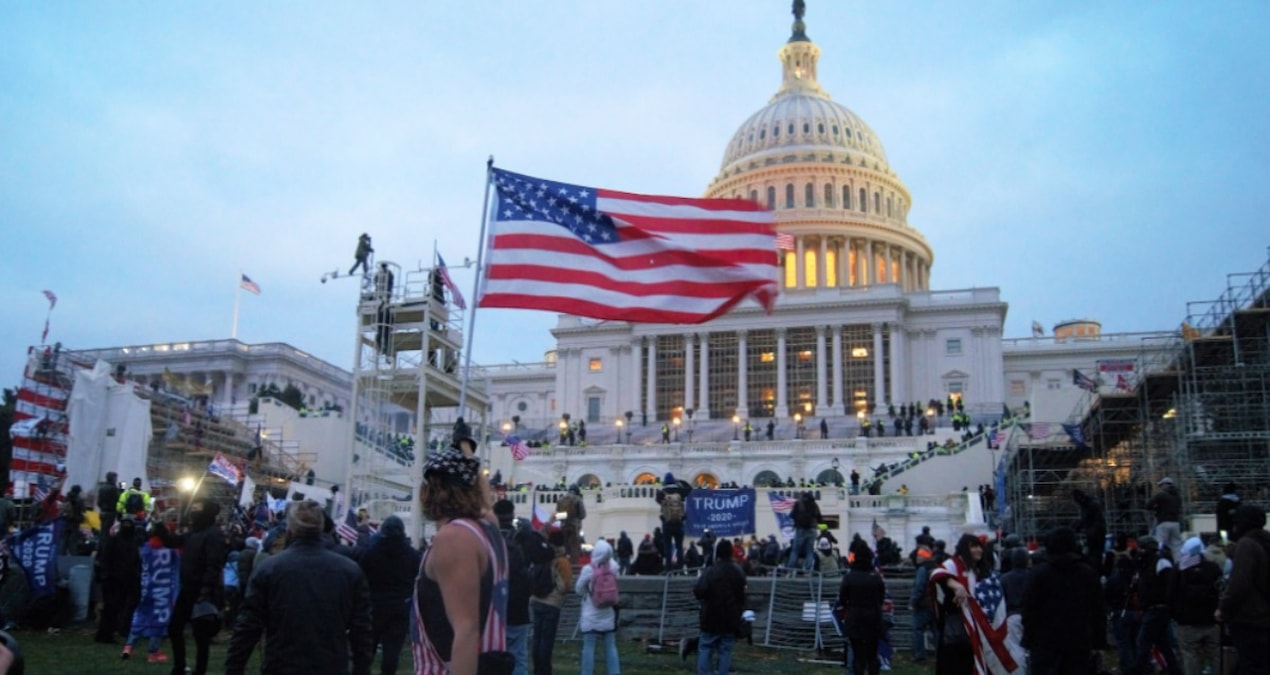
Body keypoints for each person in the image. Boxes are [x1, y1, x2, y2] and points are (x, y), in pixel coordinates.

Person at [226, 499, 373, 675]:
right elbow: (361, 630)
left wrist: (234, 667)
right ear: (320, 527)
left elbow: (248, 626)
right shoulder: (349, 571)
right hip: (330, 665)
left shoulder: (269, 569)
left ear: (290, 529)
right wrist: (362, 668)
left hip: (282, 664)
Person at [409, 446, 510, 675]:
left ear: (433, 490)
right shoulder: (487, 528)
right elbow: (485, 505)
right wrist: (468, 452)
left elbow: (466, 631)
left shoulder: (454, 538)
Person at [930, 533, 1018, 675]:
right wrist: (957, 585)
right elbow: (938, 574)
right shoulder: (952, 565)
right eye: (974, 546)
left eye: (980, 547)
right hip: (957, 635)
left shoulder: (979, 571)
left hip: (976, 634)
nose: (979, 550)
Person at [1021, 527, 1105, 675]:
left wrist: (1029, 639)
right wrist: (1098, 642)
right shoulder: (1088, 574)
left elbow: (1028, 610)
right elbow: (1098, 611)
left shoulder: (1038, 575)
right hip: (1079, 642)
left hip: (1045, 644)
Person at [168, 497, 226, 675]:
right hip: (189, 589)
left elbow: (213, 564)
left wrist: (206, 591)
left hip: (202, 590)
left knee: (201, 635)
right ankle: (179, 667)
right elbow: (174, 541)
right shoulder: (194, 533)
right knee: (175, 628)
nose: (193, 511)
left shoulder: (213, 534)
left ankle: (199, 670)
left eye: (197, 508)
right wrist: (161, 530)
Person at [358, 515, 421, 675]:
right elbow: (417, 577)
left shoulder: (371, 553)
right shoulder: (412, 554)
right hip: (400, 606)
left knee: (368, 648)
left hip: (375, 605)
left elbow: (361, 576)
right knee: (392, 649)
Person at [1216, 504, 1270, 674]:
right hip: (1265, 617)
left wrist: (1223, 607)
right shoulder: (1264, 542)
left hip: (1249, 619)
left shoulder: (1246, 544)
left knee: (1251, 666)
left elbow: (1239, 583)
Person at [123, 521, 179, 664]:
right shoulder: (171, 551)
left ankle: (128, 646)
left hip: (146, 588)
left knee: (140, 616)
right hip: (164, 591)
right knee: (159, 620)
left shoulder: (145, 548)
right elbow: (176, 573)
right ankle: (153, 652)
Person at [692, 539, 747, 675]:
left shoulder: (710, 571)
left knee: (705, 647)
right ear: (731, 553)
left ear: (717, 554)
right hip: (731, 618)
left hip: (710, 615)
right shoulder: (738, 571)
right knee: (725, 650)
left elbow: (699, 591)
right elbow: (742, 596)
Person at [1172, 536, 1222, 675]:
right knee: (1215, 655)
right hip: (1211, 620)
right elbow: (1221, 590)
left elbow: (1171, 594)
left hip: (1187, 622)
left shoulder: (1179, 569)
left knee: (1190, 656)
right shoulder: (1213, 568)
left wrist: (1177, 616)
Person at [1132, 535, 1181, 675]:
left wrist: (1167, 603)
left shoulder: (1160, 562)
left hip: (1158, 608)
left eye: (1141, 548)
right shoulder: (1145, 565)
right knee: (1162, 643)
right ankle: (1174, 669)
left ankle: (1139, 670)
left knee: (1143, 641)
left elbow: (1170, 585)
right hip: (1152, 608)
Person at [493, 500, 532, 675]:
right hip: (519, 607)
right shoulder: (522, 538)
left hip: (493, 607)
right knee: (519, 656)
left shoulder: (487, 538)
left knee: (492, 656)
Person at [838, 539, 886, 675]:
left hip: (854, 617)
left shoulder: (849, 577)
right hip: (873, 617)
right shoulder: (876, 577)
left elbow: (842, 599)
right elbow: (881, 597)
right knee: (872, 655)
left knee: (858, 656)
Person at [530, 529, 573, 675]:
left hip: (536, 600)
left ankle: (537, 669)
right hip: (552, 603)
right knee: (547, 640)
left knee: (537, 638)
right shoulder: (562, 561)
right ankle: (545, 671)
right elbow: (566, 586)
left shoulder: (541, 556)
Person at [575, 539, 620, 675]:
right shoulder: (614, 568)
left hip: (591, 613)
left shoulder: (589, 569)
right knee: (611, 646)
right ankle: (614, 672)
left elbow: (578, 589)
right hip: (608, 612)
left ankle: (587, 673)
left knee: (589, 646)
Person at [95, 515, 141, 644]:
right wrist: (106, 575)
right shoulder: (118, 540)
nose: (127, 526)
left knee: (114, 609)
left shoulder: (129, 541)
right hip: (113, 580)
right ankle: (106, 634)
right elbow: (106, 559)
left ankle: (106, 633)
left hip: (123, 580)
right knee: (111, 608)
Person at [656, 473, 692, 570]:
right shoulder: (680, 491)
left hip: (666, 522)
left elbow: (657, 500)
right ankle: (680, 568)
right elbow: (689, 488)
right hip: (679, 522)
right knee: (679, 546)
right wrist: (679, 480)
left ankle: (668, 568)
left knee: (667, 546)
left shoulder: (662, 492)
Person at [908, 545, 937, 664]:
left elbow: (919, 587)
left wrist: (912, 602)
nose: (918, 557)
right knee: (936, 630)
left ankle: (919, 655)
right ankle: (941, 653)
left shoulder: (922, 569)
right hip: (935, 605)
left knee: (917, 629)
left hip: (923, 604)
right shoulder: (935, 568)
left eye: (920, 555)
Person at [1147, 477, 1183, 556]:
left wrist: (1156, 508)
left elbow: (1148, 505)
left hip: (1163, 522)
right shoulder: (1177, 497)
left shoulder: (1161, 495)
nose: (1160, 487)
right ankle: (1178, 563)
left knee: (1160, 543)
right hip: (1176, 523)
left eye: (1161, 485)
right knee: (1176, 546)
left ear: (1165, 485)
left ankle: (1160, 561)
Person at [787, 492, 821, 572]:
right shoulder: (814, 505)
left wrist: (797, 522)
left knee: (795, 550)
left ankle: (790, 569)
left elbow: (791, 515)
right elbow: (819, 517)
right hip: (812, 529)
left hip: (800, 529)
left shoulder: (798, 504)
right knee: (810, 550)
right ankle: (808, 569)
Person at [1071, 488, 1107, 560]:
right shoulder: (1085, 506)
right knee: (1092, 552)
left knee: (1096, 552)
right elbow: (1085, 519)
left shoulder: (1092, 505)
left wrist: (1091, 531)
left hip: (1096, 533)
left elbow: (1098, 520)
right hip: (1092, 531)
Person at [557, 485, 586, 564]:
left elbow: (558, 515)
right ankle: (574, 566)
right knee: (574, 547)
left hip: (563, 527)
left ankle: (564, 564)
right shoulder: (578, 499)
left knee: (564, 546)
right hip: (574, 527)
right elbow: (582, 515)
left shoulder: (560, 500)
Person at [96, 471, 121, 537]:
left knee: (102, 530)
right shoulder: (113, 488)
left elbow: (99, 501)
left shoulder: (102, 488)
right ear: (113, 479)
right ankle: (105, 546)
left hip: (102, 511)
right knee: (108, 532)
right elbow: (118, 499)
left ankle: (100, 545)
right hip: (110, 512)